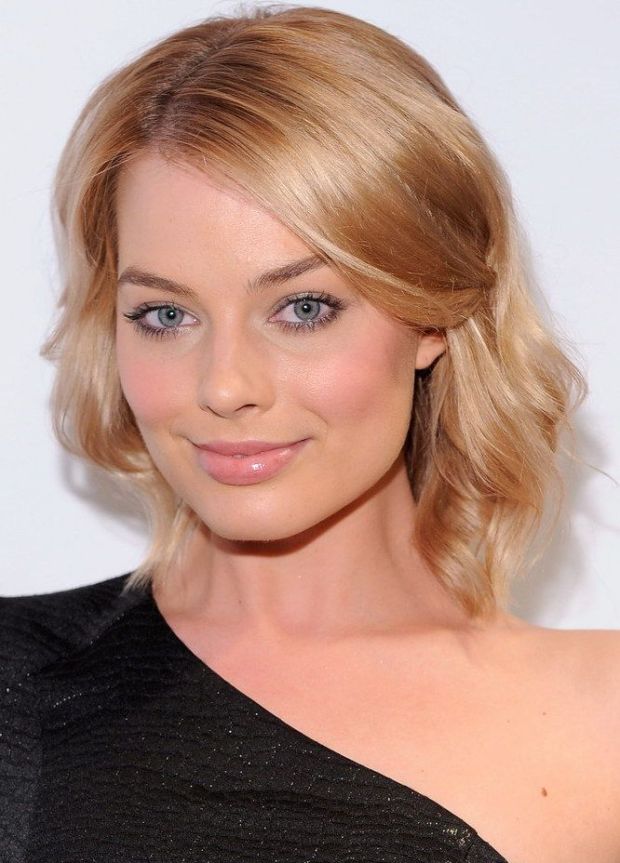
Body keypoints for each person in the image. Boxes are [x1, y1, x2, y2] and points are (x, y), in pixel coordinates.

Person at [1, 5, 618, 862]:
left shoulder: (600, 723)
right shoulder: (17, 681)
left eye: (302, 308)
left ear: (433, 313)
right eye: (166, 314)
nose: (224, 386)